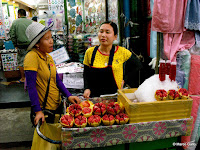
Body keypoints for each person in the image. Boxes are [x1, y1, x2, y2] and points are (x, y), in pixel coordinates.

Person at [24, 21, 81, 126]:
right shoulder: (32, 57)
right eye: (46, 39)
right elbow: (31, 87)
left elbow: (57, 80)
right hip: (45, 110)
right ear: (37, 43)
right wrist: (38, 111)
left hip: (56, 105)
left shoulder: (48, 56)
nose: (51, 42)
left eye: (51, 37)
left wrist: (68, 95)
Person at [83, 21, 142, 98]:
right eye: (101, 31)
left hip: (115, 97)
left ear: (115, 36)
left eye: (107, 32)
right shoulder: (90, 52)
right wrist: (86, 88)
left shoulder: (122, 52)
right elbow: (86, 73)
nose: (103, 35)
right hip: (94, 98)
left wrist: (125, 79)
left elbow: (138, 65)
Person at [9, 9, 33, 83]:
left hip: (21, 46)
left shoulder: (15, 22)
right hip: (31, 45)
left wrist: (15, 44)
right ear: (25, 14)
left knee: (21, 62)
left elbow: (12, 35)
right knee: (31, 61)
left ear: (19, 14)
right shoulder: (31, 22)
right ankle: (32, 77)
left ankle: (23, 78)